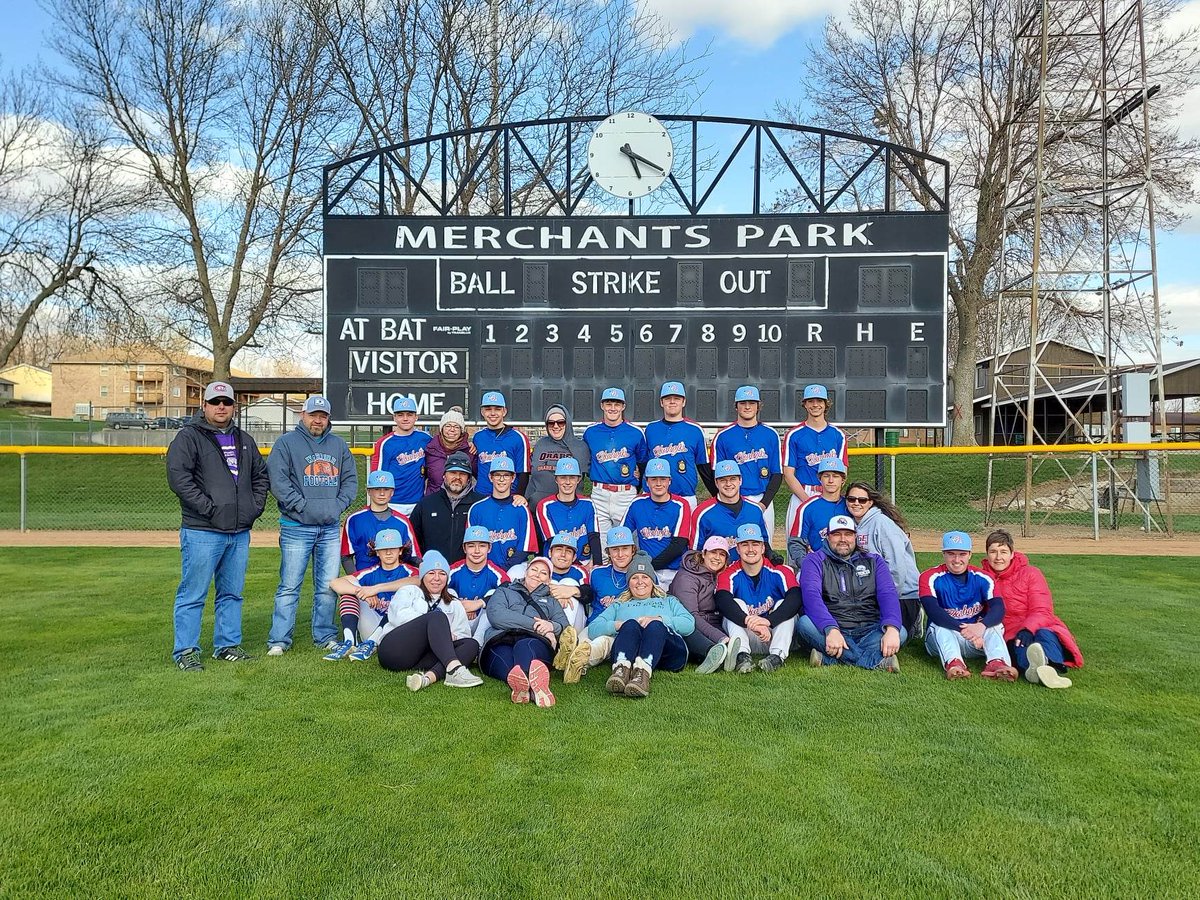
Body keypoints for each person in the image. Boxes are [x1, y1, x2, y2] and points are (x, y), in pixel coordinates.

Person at [166, 380, 269, 670]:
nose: (221, 407)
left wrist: (253, 508)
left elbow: (261, 476)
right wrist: (209, 509)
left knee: (232, 593)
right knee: (193, 593)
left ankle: (227, 645)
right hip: (202, 530)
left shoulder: (244, 439)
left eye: (226, 402)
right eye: (215, 402)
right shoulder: (189, 437)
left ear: (234, 406)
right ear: (205, 406)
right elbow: (180, 480)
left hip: (238, 531)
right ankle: (185, 651)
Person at [266, 396, 358, 656]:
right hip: (296, 526)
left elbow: (351, 480)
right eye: (313, 414)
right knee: (289, 586)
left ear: (328, 418)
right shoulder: (286, 443)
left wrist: (337, 505)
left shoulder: (338, 445)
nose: (318, 420)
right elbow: (278, 480)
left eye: (323, 416)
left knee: (328, 586)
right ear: (302, 415)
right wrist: (302, 505)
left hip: (329, 527)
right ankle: (279, 640)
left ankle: (324, 635)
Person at [797, 515, 905, 672]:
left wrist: (892, 629)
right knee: (805, 624)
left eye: (848, 534)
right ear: (827, 537)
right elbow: (811, 597)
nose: (843, 539)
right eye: (836, 534)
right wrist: (831, 629)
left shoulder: (874, 561)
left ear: (855, 537)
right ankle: (873, 661)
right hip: (833, 627)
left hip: (870, 629)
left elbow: (888, 594)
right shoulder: (814, 560)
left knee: (900, 632)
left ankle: (830, 658)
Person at [981, 530, 1082, 689]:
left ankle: (1048, 666)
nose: (998, 557)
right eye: (993, 552)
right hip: (1008, 631)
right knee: (1019, 644)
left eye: (1003, 552)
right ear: (987, 554)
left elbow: (1042, 608)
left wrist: (1028, 628)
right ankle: (1039, 668)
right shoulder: (982, 577)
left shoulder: (1031, 573)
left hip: (1040, 624)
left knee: (1044, 635)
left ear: (1012, 553)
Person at [588, 554, 695, 698]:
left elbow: (689, 624)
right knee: (630, 624)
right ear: (629, 582)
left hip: (668, 652)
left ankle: (642, 674)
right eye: (634, 578)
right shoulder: (619, 604)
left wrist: (659, 618)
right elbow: (594, 629)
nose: (640, 582)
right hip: (632, 652)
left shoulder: (668, 601)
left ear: (652, 581)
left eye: (645, 577)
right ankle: (621, 670)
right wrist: (618, 625)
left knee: (655, 625)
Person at [374, 551, 484, 690]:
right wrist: (436, 629)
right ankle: (454, 670)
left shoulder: (454, 603)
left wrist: (447, 637)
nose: (436, 578)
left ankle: (428, 678)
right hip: (394, 650)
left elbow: (463, 633)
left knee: (471, 644)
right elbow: (397, 617)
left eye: (442, 574)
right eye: (431, 573)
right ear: (423, 576)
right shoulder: (409, 591)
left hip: (422, 658)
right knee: (437, 617)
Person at [920, 532, 1017, 681]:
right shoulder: (930, 577)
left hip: (976, 638)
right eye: (951, 554)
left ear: (970, 554)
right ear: (943, 554)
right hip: (945, 637)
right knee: (938, 626)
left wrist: (981, 626)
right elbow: (934, 612)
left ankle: (997, 663)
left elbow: (998, 608)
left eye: (962, 554)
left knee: (995, 625)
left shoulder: (983, 577)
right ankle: (954, 664)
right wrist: (964, 629)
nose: (957, 559)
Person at [477, 557, 568, 707]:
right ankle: (531, 686)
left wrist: (552, 627)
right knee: (504, 657)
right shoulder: (504, 591)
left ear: (548, 579)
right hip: (500, 638)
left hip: (533, 641)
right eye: (534, 569)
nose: (537, 574)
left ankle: (523, 686)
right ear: (526, 572)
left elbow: (565, 626)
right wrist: (536, 625)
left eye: (543, 573)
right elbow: (496, 615)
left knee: (525, 646)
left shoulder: (552, 602)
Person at [715, 523, 801, 673]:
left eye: (755, 544)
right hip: (747, 633)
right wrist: (749, 621)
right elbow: (723, 601)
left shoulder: (780, 571)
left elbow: (795, 598)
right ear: (738, 549)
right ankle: (741, 655)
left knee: (783, 602)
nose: (750, 549)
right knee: (736, 602)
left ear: (763, 548)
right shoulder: (729, 573)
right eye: (745, 545)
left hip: (774, 633)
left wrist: (768, 621)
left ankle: (777, 657)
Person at [324, 528, 418, 661]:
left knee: (409, 591)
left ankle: (372, 643)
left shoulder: (409, 572)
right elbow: (335, 583)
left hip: (399, 630)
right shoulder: (370, 572)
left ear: (400, 550)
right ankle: (349, 642)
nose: (389, 552)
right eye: (384, 549)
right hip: (372, 626)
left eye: (393, 548)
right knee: (349, 592)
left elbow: (418, 581)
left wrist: (375, 589)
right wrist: (363, 593)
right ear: (377, 552)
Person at [843, 480, 921, 641]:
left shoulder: (882, 523)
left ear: (870, 502)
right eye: (851, 499)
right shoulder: (853, 526)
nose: (856, 503)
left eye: (862, 500)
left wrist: (890, 599)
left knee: (888, 635)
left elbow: (897, 565)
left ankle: (914, 618)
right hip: (874, 593)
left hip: (902, 595)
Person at [709, 385, 782, 542]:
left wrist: (764, 504)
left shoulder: (770, 434)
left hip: (762, 499)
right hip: (734, 500)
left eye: (752, 402)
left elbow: (777, 474)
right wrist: (725, 501)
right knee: (731, 544)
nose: (747, 406)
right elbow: (715, 474)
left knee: (763, 545)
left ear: (758, 406)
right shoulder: (723, 436)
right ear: (736, 406)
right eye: (743, 403)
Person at [581, 387, 648, 549]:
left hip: (626, 493)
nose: (612, 408)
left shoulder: (635, 432)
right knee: (602, 545)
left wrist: (637, 485)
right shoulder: (590, 432)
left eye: (617, 404)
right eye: (608, 403)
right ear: (602, 406)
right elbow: (586, 461)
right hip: (599, 493)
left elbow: (643, 462)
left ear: (623, 407)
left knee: (627, 544)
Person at [782, 383, 848, 536]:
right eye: (811, 401)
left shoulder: (837, 435)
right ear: (805, 404)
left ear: (826, 404)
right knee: (797, 543)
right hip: (802, 493)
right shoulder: (794, 434)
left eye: (820, 401)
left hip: (831, 494)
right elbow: (788, 473)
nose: (815, 405)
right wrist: (807, 500)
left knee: (832, 539)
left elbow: (842, 470)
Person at [670, 536, 743, 674]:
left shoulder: (721, 575)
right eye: (713, 552)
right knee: (691, 632)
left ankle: (728, 655)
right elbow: (691, 616)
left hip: (713, 622)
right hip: (688, 624)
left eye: (722, 554)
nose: (717, 557)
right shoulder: (686, 577)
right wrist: (720, 637)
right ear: (703, 554)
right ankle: (713, 653)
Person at [622, 457, 692, 589]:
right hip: (647, 572)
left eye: (663, 479)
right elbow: (622, 535)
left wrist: (647, 566)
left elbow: (679, 545)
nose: (658, 483)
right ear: (646, 482)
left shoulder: (681, 505)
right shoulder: (637, 503)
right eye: (653, 479)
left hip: (674, 571)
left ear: (669, 481)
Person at [643, 381, 713, 508]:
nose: (672, 402)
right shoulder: (651, 429)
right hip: (653, 496)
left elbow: (703, 467)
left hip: (685, 496)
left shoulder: (695, 430)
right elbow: (643, 463)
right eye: (668, 398)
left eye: (677, 398)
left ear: (684, 402)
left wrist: (716, 495)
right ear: (661, 402)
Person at [408, 451, 486, 563]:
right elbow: (412, 540)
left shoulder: (480, 504)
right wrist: (420, 563)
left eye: (462, 474)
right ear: (444, 475)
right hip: (434, 573)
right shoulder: (426, 504)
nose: (457, 477)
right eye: (453, 472)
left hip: (467, 573)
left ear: (469, 478)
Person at [338, 470, 420, 575]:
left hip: (395, 580)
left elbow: (413, 557)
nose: (382, 493)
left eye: (386, 489)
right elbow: (346, 556)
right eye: (377, 489)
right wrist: (356, 580)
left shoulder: (402, 522)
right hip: (365, 579)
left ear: (392, 492)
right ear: (369, 491)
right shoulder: (354, 519)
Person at [691, 460, 771, 564]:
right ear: (716, 483)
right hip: (715, 575)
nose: (728, 484)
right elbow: (695, 553)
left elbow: (764, 544)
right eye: (723, 480)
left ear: (740, 480)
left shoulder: (755, 510)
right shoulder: (702, 513)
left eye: (733, 479)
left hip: (748, 573)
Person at [466, 457, 538, 572]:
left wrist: (503, 571)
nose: (501, 479)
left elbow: (525, 548)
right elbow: (471, 545)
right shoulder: (477, 509)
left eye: (506, 475)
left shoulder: (521, 508)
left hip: (513, 569)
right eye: (497, 475)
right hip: (484, 569)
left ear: (513, 478)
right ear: (490, 477)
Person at [544, 532, 595, 683]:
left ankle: (566, 644)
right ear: (550, 552)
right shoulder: (542, 568)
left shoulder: (579, 571)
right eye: (559, 549)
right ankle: (560, 649)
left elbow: (589, 594)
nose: (563, 554)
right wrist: (556, 594)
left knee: (570, 583)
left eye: (568, 551)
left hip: (575, 622)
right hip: (548, 621)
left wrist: (571, 591)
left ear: (574, 557)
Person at [368, 395, 431, 516]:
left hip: (418, 502)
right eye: (400, 415)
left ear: (416, 417)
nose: (405, 418)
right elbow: (377, 475)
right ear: (394, 417)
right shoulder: (385, 443)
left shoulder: (425, 438)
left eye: (410, 414)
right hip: (393, 502)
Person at [533, 457, 600, 565]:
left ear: (578, 480)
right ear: (556, 479)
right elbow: (553, 542)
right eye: (563, 477)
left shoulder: (588, 503)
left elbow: (594, 536)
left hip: (584, 561)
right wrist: (577, 567)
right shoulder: (544, 506)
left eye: (572, 478)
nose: (568, 482)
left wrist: (597, 565)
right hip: (554, 563)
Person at [787, 458, 849, 568]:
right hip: (818, 565)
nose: (831, 480)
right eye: (826, 476)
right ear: (819, 479)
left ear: (843, 480)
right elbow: (795, 543)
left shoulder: (850, 506)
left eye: (835, 476)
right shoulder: (807, 507)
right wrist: (807, 564)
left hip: (847, 565)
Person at [526, 404, 589, 506]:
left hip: (570, 509)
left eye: (561, 422)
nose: (556, 426)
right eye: (551, 423)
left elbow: (595, 476)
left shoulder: (581, 447)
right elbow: (529, 474)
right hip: (537, 508)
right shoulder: (540, 444)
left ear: (567, 423)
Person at [447, 524, 509, 627]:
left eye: (482, 546)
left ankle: (478, 641)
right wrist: (461, 606)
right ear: (464, 548)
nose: (477, 551)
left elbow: (509, 591)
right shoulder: (454, 570)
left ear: (489, 548)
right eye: (471, 546)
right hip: (456, 621)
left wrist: (480, 603)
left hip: (483, 623)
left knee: (495, 593)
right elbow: (435, 589)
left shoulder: (496, 572)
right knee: (449, 592)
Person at [471, 390, 532, 495]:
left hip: (508, 496)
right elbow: (478, 467)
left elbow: (523, 473)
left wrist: (519, 495)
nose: (493, 413)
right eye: (488, 409)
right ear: (482, 412)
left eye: (497, 409)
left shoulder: (518, 438)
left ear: (504, 411)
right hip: (481, 495)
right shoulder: (478, 437)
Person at [423, 406, 476, 496]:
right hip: (434, 502)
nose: (452, 430)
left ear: (461, 431)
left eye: (456, 427)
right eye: (448, 426)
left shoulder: (470, 451)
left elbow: (481, 477)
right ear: (442, 429)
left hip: (462, 502)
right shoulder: (430, 450)